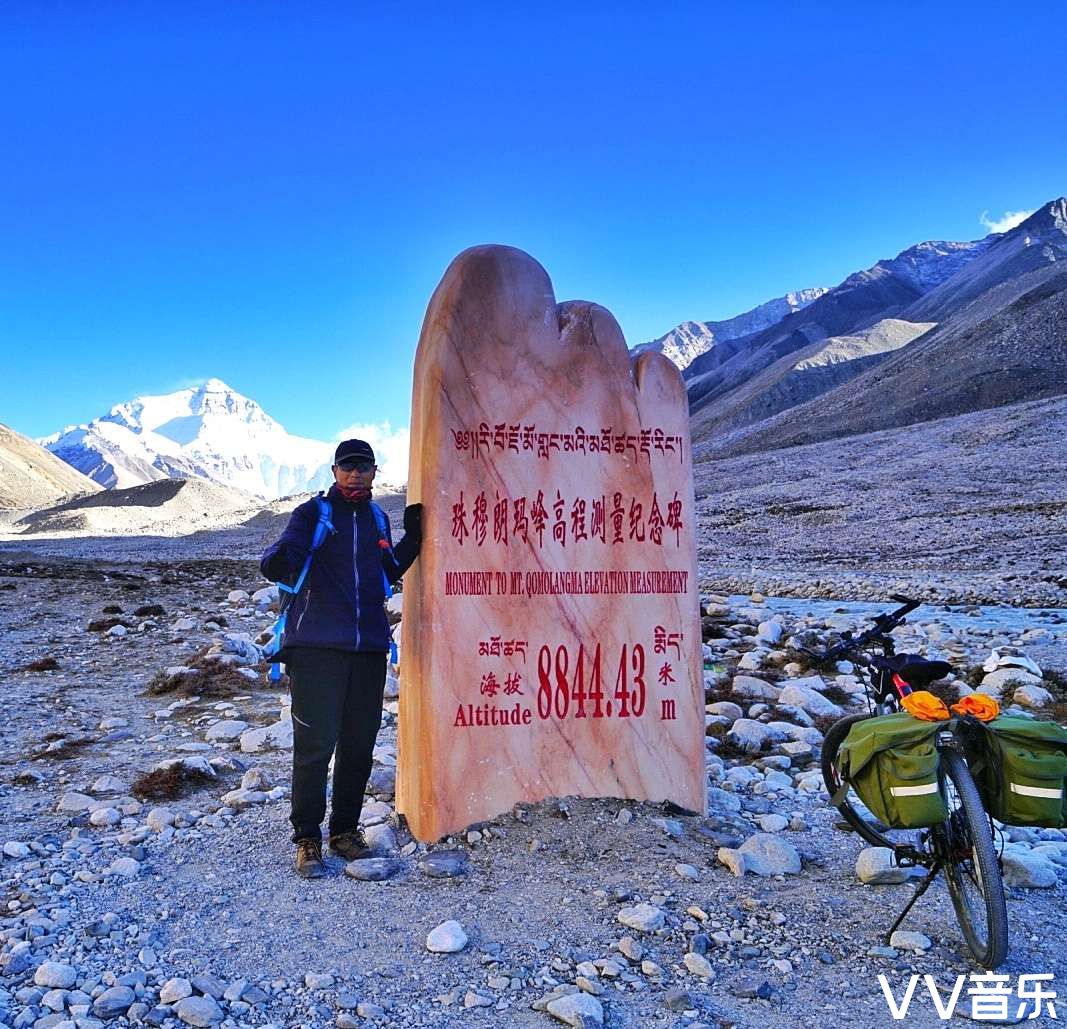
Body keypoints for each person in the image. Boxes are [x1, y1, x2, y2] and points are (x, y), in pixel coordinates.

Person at [260, 439, 422, 878]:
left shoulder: (375, 518)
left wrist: (414, 540)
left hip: (367, 647)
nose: (355, 474)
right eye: (347, 467)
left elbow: (386, 573)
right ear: (334, 471)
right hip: (316, 649)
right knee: (314, 746)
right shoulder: (312, 514)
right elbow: (280, 556)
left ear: (374, 472)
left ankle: (345, 831)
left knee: (359, 744)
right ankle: (307, 838)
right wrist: (280, 561)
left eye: (363, 467)